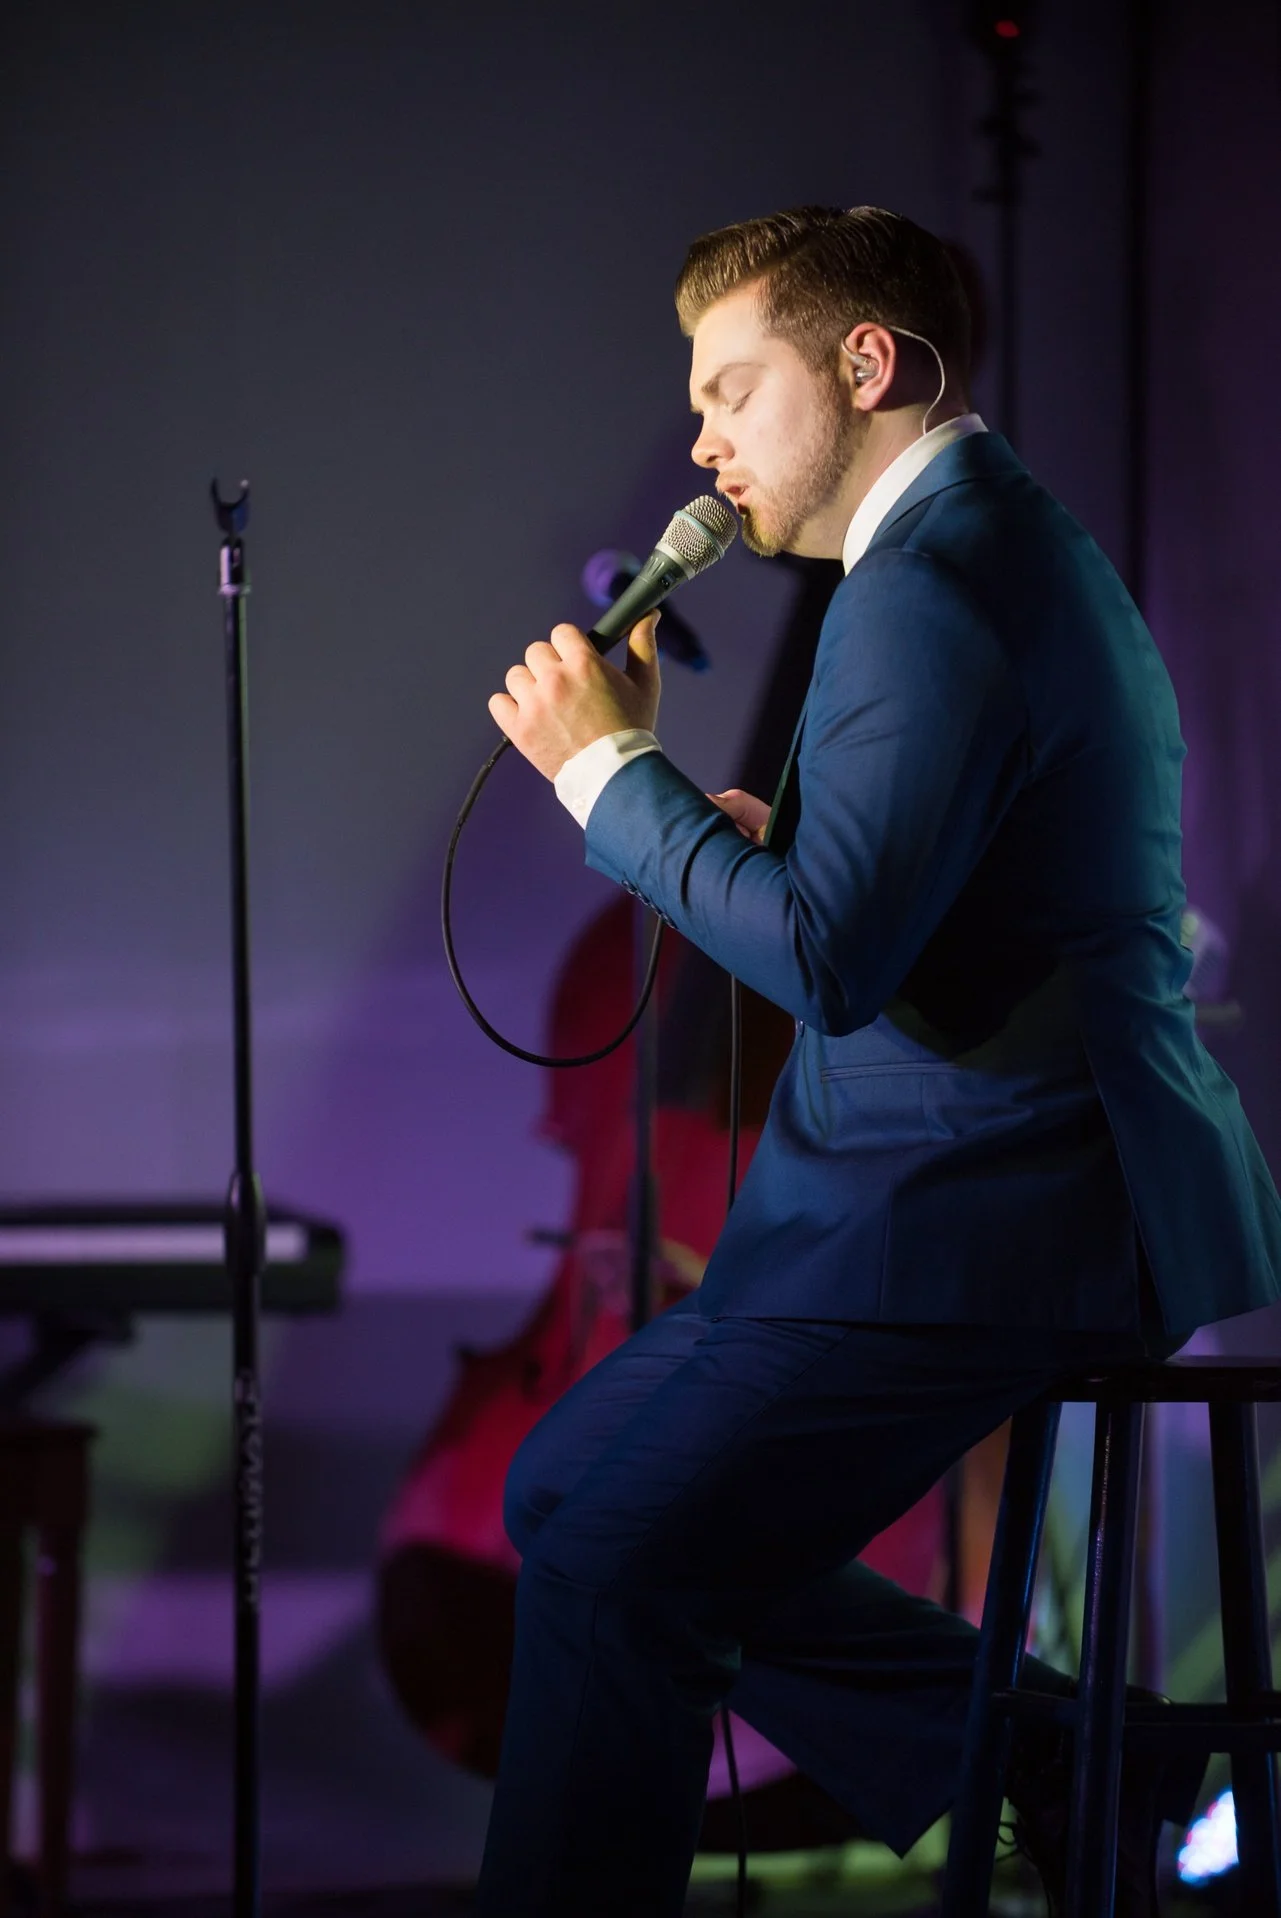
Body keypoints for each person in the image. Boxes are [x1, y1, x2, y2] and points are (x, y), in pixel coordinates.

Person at [474, 204, 1281, 1918]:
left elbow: (832, 965)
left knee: (618, 1561)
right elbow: (892, 902)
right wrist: (775, 833)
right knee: (561, 1491)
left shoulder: (935, 586)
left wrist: (610, 779)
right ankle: (1085, 1759)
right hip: (933, 1201)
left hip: (997, 1211)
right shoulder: (964, 557)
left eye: (732, 388)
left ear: (869, 366)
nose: (701, 440)